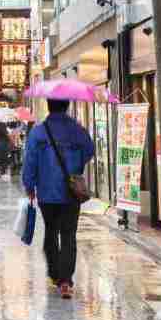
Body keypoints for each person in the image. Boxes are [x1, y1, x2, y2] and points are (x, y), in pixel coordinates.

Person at [22, 98, 95, 299]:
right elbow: (89, 150)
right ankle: (65, 281)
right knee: (69, 233)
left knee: (51, 231)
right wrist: (75, 165)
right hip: (71, 191)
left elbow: (30, 160)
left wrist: (29, 185)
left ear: (49, 105)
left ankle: (55, 274)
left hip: (46, 192)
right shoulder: (77, 130)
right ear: (67, 105)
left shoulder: (38, 132)